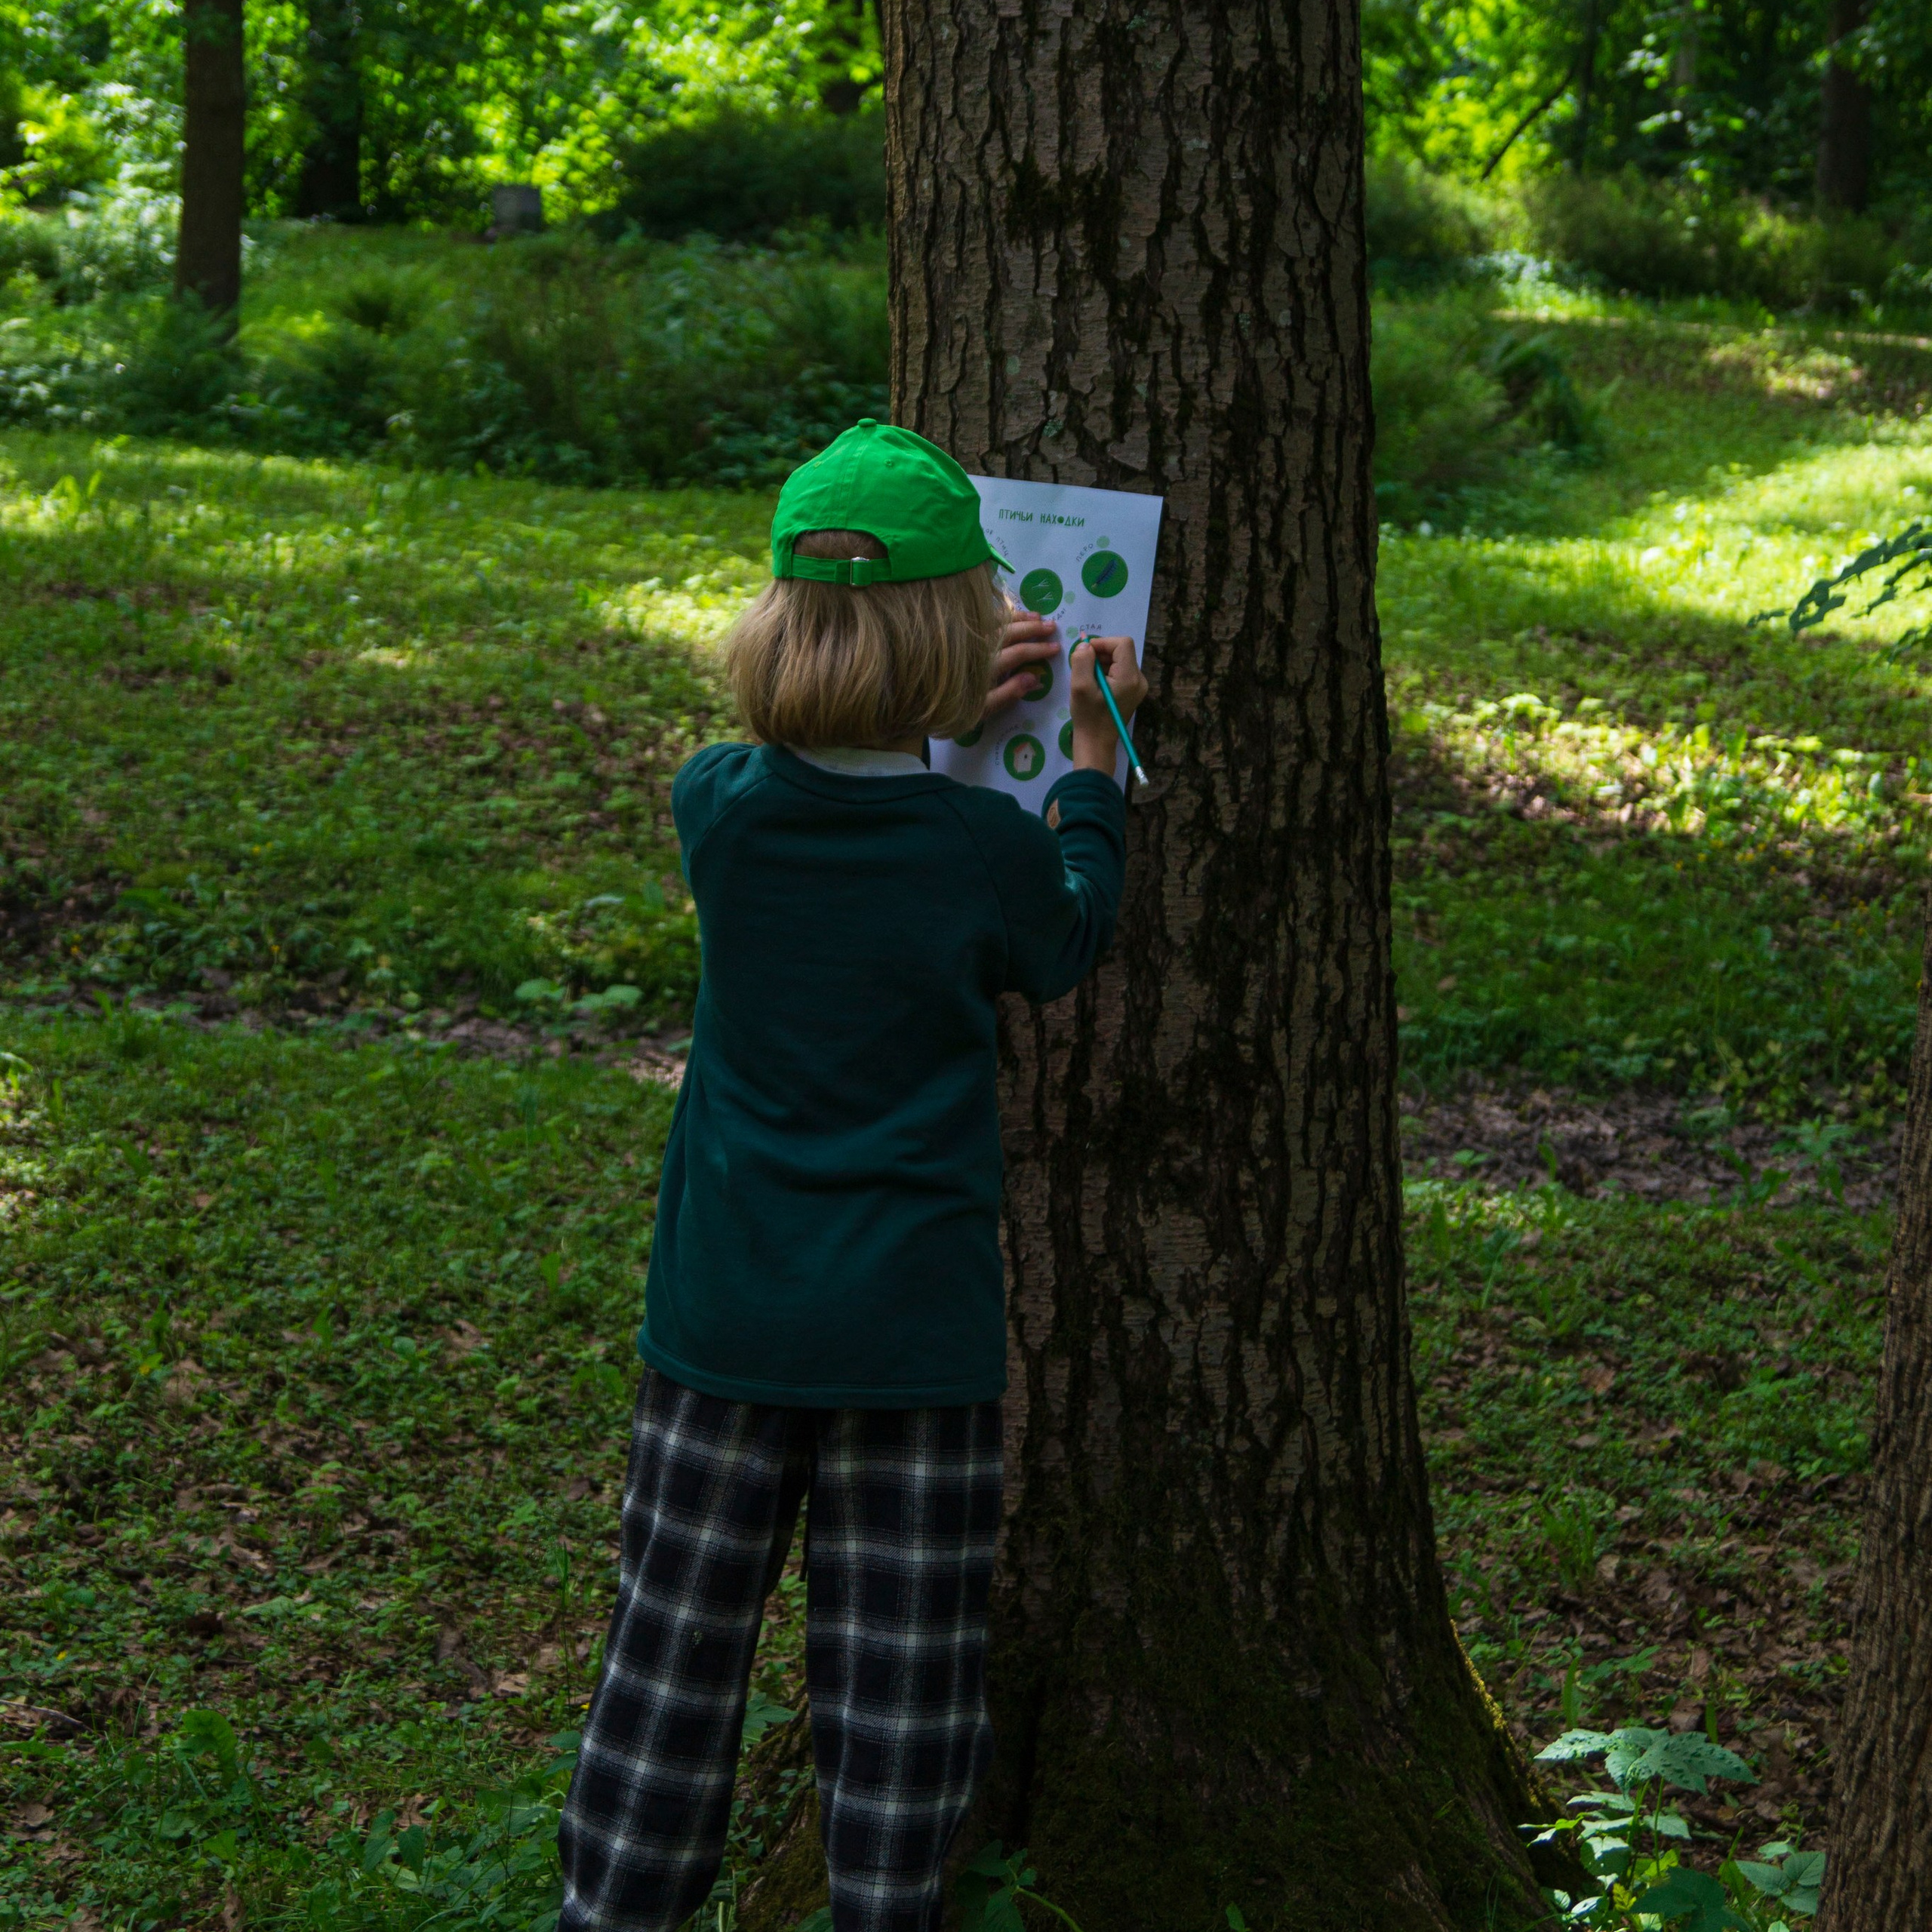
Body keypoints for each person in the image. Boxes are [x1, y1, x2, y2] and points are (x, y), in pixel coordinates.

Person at [556, 419, 1147, 1932]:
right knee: (897, 1705)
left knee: (666, 1673)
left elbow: (833, 790)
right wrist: (1090, 768)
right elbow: (1064, 931)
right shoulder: (977, 848)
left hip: (721, 1324)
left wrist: (917, 709)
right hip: (909, 1341)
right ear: (965, 631)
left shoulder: (718, 807)